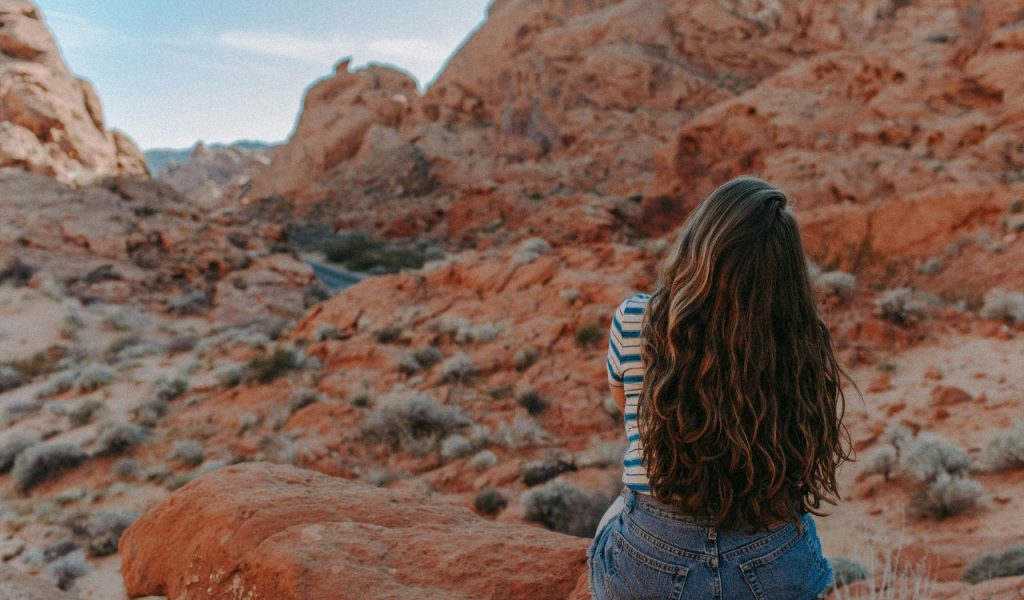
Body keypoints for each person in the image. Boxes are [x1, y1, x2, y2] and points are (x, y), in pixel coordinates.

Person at [588, 176, 853, 600]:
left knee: (615, 513)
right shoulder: (801, 338)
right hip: (771, 555)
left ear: (698, 244)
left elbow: (629, 413)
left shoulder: (636, 318)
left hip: (652, 555)